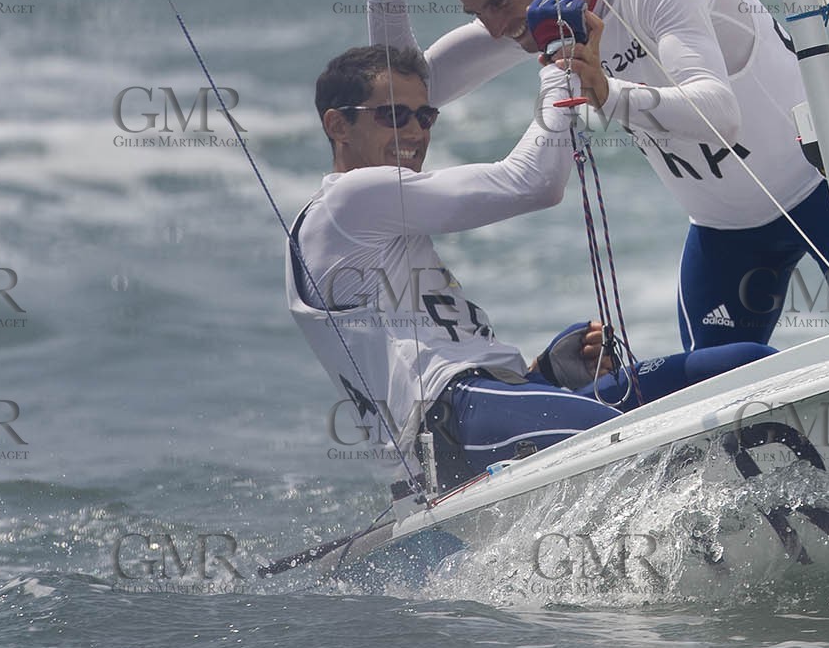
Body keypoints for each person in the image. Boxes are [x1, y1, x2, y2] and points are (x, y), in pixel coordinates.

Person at [324, 0, 829, 352]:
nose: (494, 27)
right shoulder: (532, 16)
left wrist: (609, 93)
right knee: (725, 419)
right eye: (478, 10)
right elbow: (405, 95)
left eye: (499, 2)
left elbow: (718, 113)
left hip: (826, 190)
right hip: (725, 232)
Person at [286, 41, 771, 493]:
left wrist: (547, 373)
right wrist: (560, 77)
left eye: (425, 115)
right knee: (653, 449)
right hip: (450, 425)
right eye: (394, 116)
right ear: (338, 126)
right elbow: (532, 183)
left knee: (742, 362)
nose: (415, 132)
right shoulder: (347, 203)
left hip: (495, 401)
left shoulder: (383, 216)